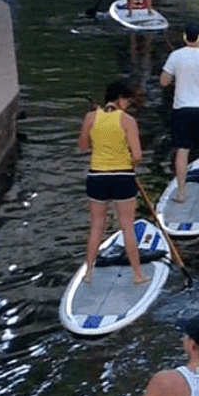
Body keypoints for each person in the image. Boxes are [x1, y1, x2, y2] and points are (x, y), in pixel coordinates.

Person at [77, 82, 149, 285]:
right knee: (127, 227)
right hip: (123, 176)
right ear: (119, 99)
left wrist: (96, 139)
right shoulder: (128, 120)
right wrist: (131, 164)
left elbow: (83, 145)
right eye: (126, 100)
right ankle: (138, 274)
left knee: (96, 227)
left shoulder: (91, 118)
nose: (127, 104)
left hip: (97, 176)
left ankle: (89, 272)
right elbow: (137, 155)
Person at [160, 21, 199, 204]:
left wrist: (174, 78)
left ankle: (181, 193)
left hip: (182, 109)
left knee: (182, 150)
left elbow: (164, 82)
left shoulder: (175, 56)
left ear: (184, 37)